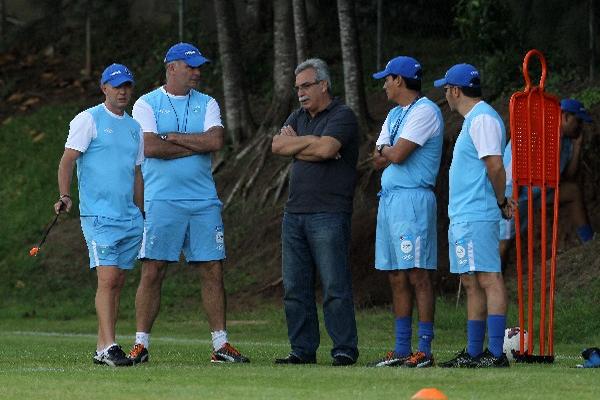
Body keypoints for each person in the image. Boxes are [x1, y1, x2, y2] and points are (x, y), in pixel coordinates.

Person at [128, 42, 249, 364]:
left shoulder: (208, 102)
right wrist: (194, 144)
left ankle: (221, 346)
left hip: (203, 201)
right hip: (161, 201)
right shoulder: (146, 103)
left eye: (199, 67)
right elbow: (150, 147)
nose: (197, 72)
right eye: (191, 66)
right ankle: (141, 345)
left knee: (213, 269)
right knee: (153, 269)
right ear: (172, 68)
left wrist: (172, 137)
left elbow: (215, 141)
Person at [271, 58, 360, 366]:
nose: (300, 93)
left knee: (334, 285)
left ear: (324, 85)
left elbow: (327, 150)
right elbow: (277, 146)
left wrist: (298, 144)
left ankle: (344, 349)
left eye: (306, 86)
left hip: (329, 212)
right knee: (295, 287)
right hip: (294, 214)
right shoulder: (298, 115)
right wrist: (311, 142)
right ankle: (302, 349)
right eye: (297, 88)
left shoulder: (343, 116)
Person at [54, 63, 144, 367]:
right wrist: (65, 195)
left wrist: (142, 211)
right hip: (98, 217)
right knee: (106, 278)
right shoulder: (88, 119)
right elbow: (67, 161)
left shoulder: (133, 128)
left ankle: (101, 345)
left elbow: (136, 173)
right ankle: (109, 347)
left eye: (127, 86)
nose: (123, 91)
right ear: (104, 87)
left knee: (117, 280)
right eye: (117, 86)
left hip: (129, 218)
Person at [434, 63, 517, 368]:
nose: (445, 94)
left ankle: (494, 354)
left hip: (477, 213)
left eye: (446, 88)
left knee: (488, 278)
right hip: (465, 214)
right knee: (471, 281)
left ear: (456, 90)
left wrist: (499, 201)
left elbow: (495, 166)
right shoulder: (475, 120)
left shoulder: (482, 119)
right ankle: (474, 352)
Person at [368, 56, 443, 368]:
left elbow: (395, 154)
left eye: (387, 78)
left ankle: (423, 350)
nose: (384, 84)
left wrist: (388, 151)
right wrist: (388, 151)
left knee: (417, 273)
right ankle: (401, 348)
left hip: (413, 200)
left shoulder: (425, 110)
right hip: (390, 200)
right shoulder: (394, 114)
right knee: (396, 275)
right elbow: (376, 159)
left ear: (399, 80)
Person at [499, 98, 594, 268]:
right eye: (578, 121)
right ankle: (493, 285)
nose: (580, 127)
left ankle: (589, 241)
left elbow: (569, 175)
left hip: (539, 191)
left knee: (572, 191)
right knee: (505, 241)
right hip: (514, 191)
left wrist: (578, 146)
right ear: (565, 117)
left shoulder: (566, 140)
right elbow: (515, 170)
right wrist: (512, 202)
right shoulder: (538, 131)